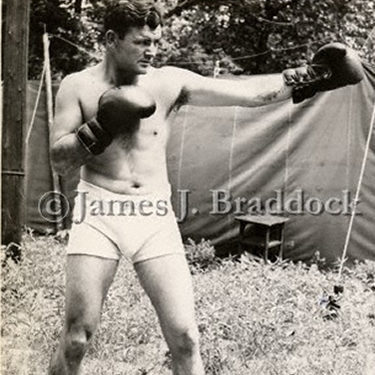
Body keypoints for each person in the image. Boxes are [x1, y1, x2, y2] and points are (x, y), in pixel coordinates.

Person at [48, 1, 364, 374]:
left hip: (153, 214)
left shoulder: (168, 81)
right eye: (141, 43)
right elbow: (59, 159)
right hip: (99, 212)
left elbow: (249, 96)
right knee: (76, 338)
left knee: (185, 337)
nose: (152, 51)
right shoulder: (78, 86)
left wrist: (313, 75)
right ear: (110, 39)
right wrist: (101, 127)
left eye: (155, 42)